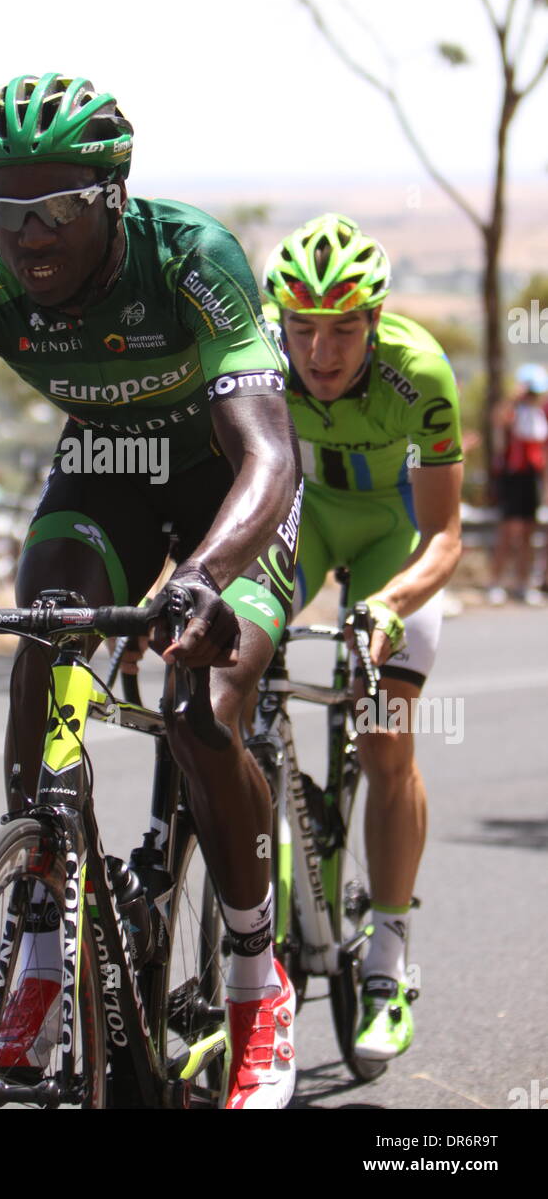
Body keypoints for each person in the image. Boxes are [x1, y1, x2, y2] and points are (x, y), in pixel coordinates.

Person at [0, 72, 303, 1109]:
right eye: (3, 206)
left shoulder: (189, 257)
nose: (28, 236)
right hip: (106, 478)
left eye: (57, 208)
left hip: (229, 492)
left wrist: (205, 576)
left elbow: (267, 453)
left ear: (112, 196)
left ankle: (258, 974)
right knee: (43, 628)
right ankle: (41, 927)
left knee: (201, 706)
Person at [262, 213, 463, 1063]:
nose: (322, 351)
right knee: (232, 680)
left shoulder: (418, 374)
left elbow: (446, 536)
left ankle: (387, 955)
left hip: (395, 539)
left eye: (344, 328)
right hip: (303, 525)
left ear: (374, 323)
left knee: (386, 743)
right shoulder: (262, 367)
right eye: (303, 328)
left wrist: (390, 605)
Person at [487, 362, 548, 606]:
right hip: (512, 477)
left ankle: (524, 583)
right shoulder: (512, 412)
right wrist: (514, 397)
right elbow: (497, 421)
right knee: (508, 532)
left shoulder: (541, 414)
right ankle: (496, 582)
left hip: (532, 477)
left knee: (528, 533)